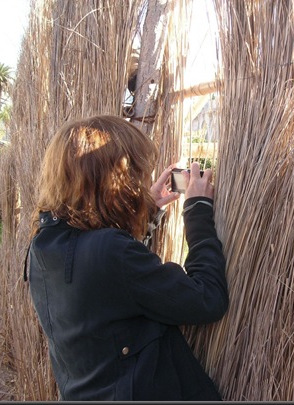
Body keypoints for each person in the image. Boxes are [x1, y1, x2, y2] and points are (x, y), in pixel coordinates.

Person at [24, 115, 229, 401]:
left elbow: (106, 289)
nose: (142, 180)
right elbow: (207, 299)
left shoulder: (42, 245)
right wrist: (197, 209)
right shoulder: (110, 252)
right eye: (136, 173)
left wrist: (144, 212)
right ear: (116, 180)